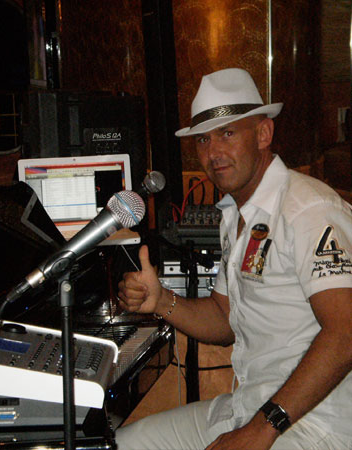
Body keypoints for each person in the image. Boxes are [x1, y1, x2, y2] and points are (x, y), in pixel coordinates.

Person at [115, 68, 352, 450]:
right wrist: (160, 301)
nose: (213, 152)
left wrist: (262, 429)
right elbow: (224, 319)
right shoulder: (236, 215)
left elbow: (346, 332)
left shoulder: (308, 209)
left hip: (314, 424)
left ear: (263, 134)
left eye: (227, 133)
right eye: (203, 139)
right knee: (125, 444)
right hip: (251, 407)